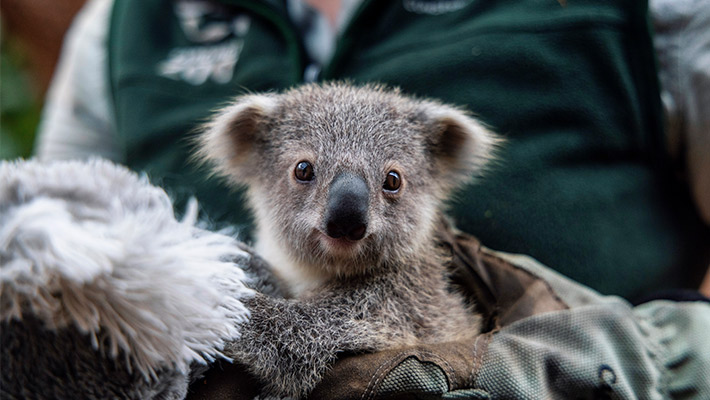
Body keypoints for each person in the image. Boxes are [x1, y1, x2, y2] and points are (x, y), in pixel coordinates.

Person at [24, 1, 710, 397]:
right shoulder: (121, 25)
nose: (346, 205)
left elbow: (298, 353)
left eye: (391, 182)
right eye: (303, 172)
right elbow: (54, 237)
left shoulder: (658, 14)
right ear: (249, 156)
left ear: (438, 171)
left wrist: (652, 356)